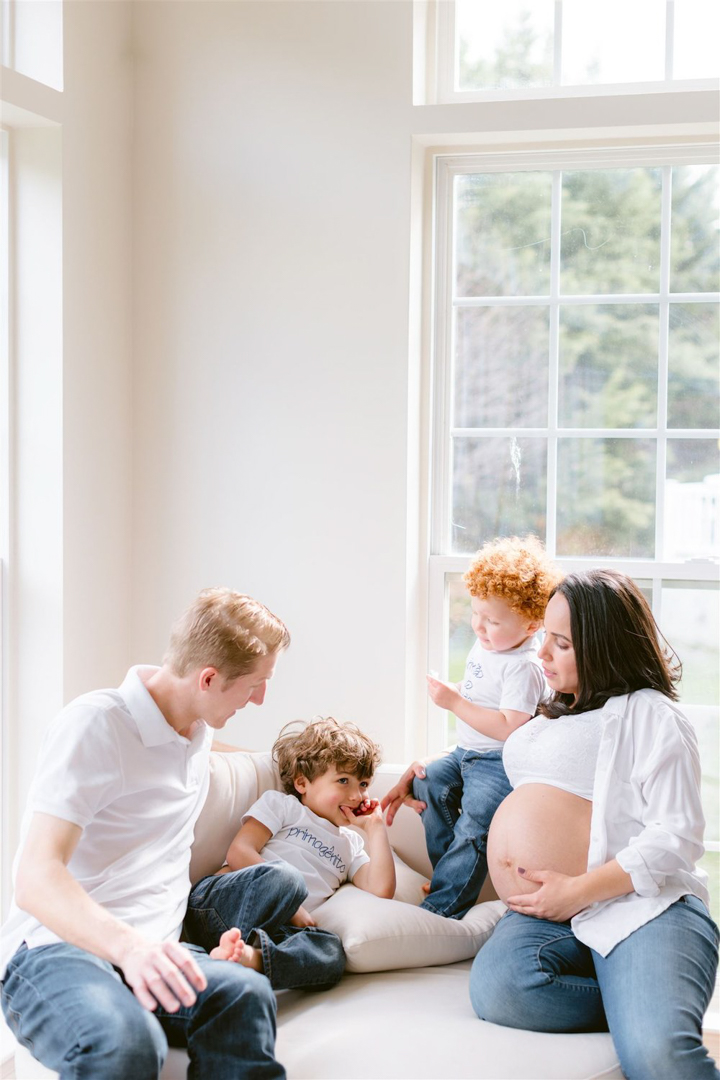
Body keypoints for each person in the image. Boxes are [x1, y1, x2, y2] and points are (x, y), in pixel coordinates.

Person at [0, 587, 290, 1080]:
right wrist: (130, 948)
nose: (260, 698)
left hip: (157, 951)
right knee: (128, 1043)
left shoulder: (196, 731)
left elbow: (251, 758)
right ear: (208, 679)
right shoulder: (95, 725)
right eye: (256, 684)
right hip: (59, 952)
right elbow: (34, 878)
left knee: (245, 992)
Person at [469, 570, 719, 1080]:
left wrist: (578, 890)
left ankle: (651, 1018)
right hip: (549, 915)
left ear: (605, 648)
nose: (542, 653)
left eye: (561, 644)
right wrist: (424, 776)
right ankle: (638, 1006)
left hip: (643, 906)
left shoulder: (652, 714)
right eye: (546, 637)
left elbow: (676, 836)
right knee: (502, 989)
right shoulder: (552, 715)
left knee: (658, 1056)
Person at [383, 535, 560, 919]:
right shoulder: (489, 645)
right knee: (428, 781)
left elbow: (509, 726)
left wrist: (455, 703)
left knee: (475, 822)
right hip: (466, 751)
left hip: (498, 761)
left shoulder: (524, 667)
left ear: (531, 624)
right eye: (476, 613)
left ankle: (442, 906)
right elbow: (482, 690)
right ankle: (449, 875)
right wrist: (456, 690)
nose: (479, 626)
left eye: (492, 621)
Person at [184, 716, 396, 990]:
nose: (357, 795)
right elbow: (239, 852)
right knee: (287, 877)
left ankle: (250, 959)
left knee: (331, 952)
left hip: (271, 930)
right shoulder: (284, 806)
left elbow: (381, 889)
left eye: (364, 784)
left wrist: (375, 828)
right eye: (343, 781)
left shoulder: (351, 844)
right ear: (302, 783)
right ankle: (234, 951)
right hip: (221, 903)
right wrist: (293, 906)